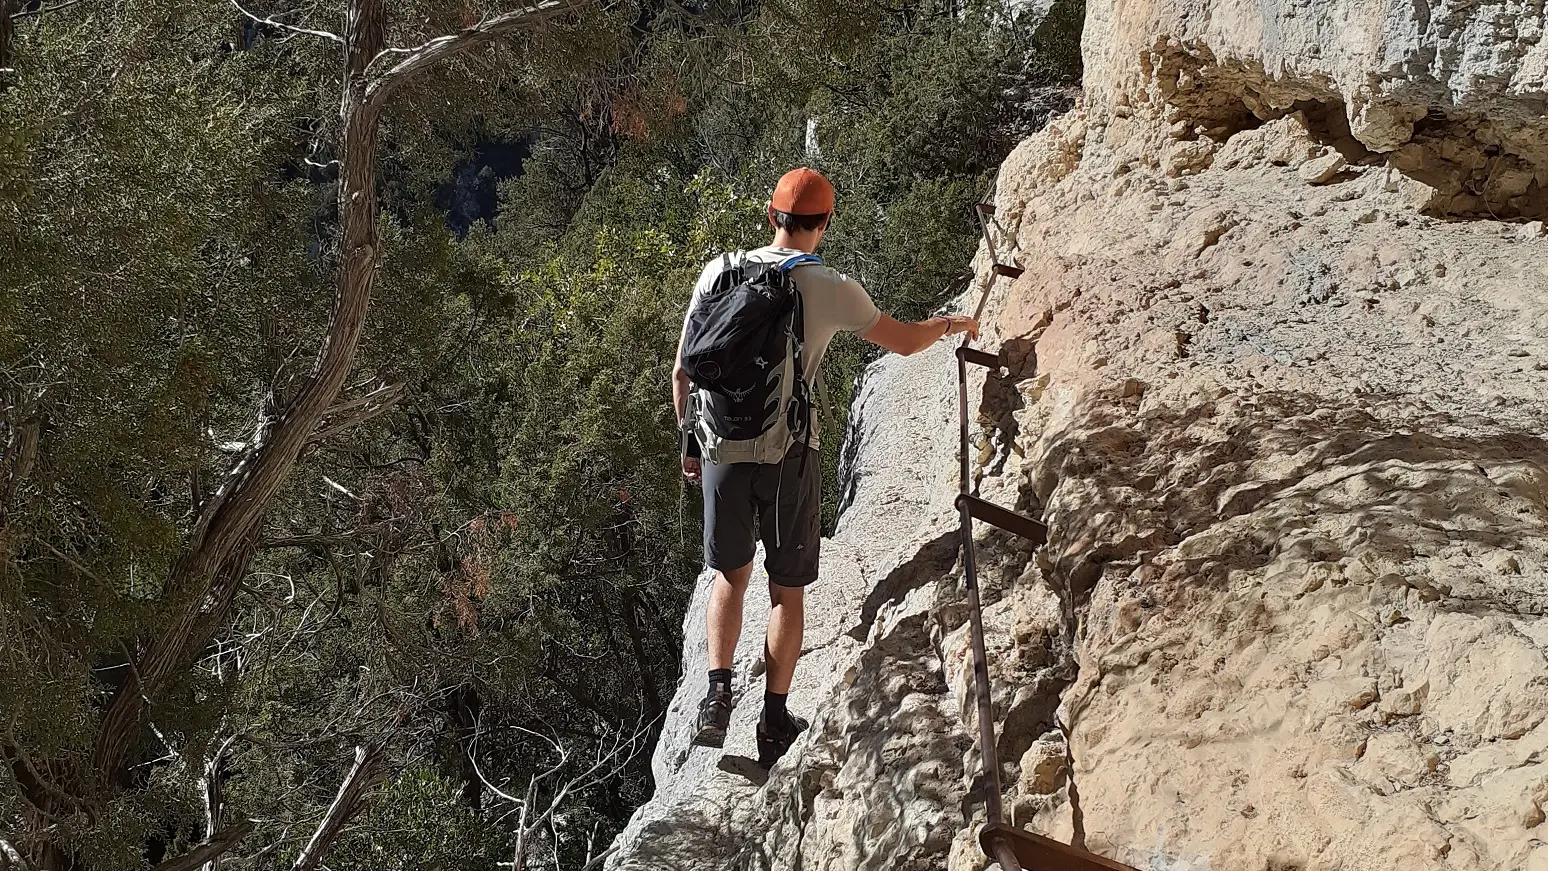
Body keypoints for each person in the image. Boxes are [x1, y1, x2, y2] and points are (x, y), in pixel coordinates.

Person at [672, 167, 979, 767]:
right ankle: (773, 719)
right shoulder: (832, 287)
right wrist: (952, 323)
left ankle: (715, 697)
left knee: (729, 577)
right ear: (826, 224)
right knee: (787, 590)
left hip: (721, 453)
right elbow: (907, 342)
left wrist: (691, 441)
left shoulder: (718, 272)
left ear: (771, 215)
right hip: (788, 456)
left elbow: (684, 370)